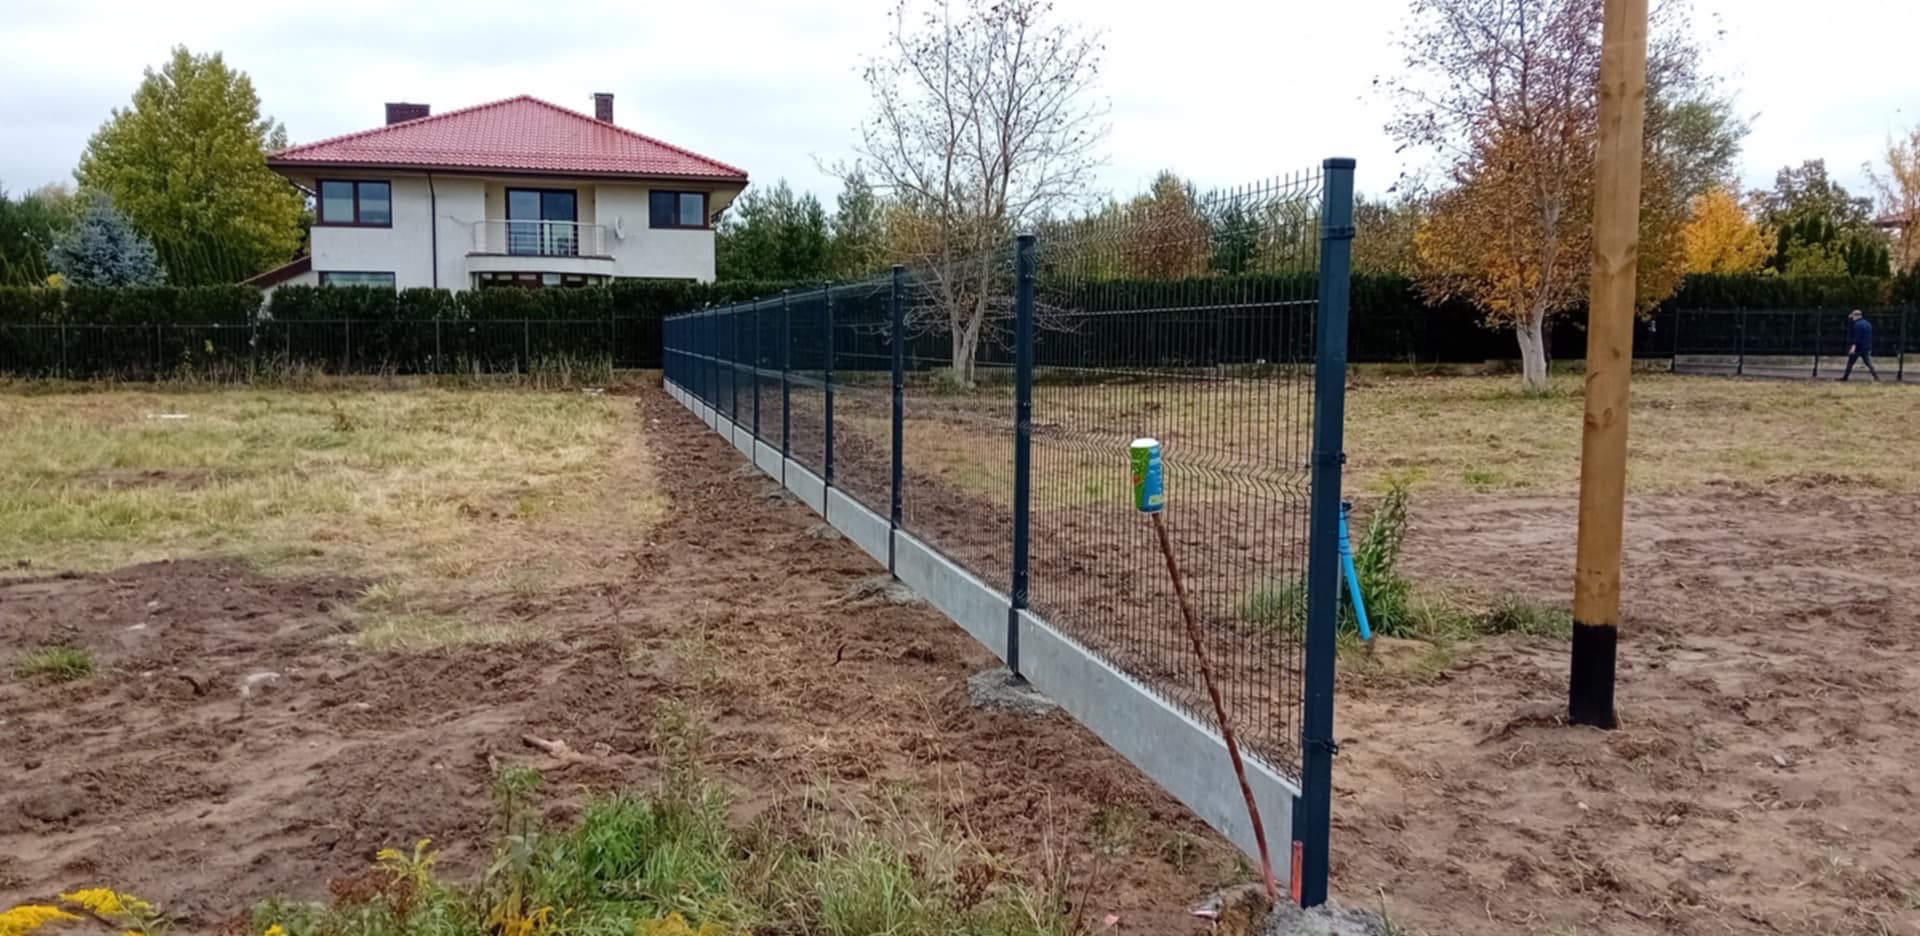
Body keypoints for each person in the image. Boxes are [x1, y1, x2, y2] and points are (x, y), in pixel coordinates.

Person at [1843, 309, 1880, 382]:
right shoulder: (1868, 324)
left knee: (1850, 362)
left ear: (1856, 316)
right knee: (1868, 363)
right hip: (1866, 346)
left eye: (1853, 316)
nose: (1852, 318)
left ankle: (1845, 377)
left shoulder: (1857, 325)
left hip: (1858, 347)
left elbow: (1857, 337)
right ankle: (1876, 377)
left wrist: (1853, 347)